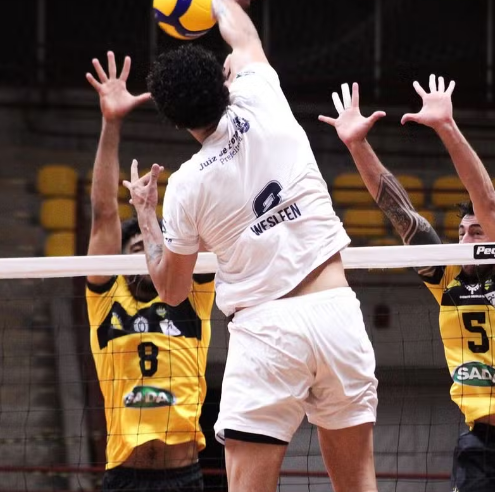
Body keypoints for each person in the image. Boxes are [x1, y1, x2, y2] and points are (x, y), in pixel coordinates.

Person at [122, 1, 379, 492]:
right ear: (224, 82)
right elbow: (243, 38)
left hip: (265, 332)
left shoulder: (186, 186)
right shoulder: (261, 96)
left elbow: (173, 291)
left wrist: (147, 218)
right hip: (335, 313)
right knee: (358, 483)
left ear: (174, 122)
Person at [319, 77, 495, 492]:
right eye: (463, 232)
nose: (468, 238)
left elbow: (485, 199)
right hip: (480, 443)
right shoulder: (448, 276)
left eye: (479, 232)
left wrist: (446, 128)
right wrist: (356, 145)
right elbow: (399, 210)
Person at [85, 52, 215, 492]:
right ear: (121, 262)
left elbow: (206, 211)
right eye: (135, 248)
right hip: (123, 477)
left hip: (184, 476)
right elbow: (104, 215)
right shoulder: (106, 300)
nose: (144, 252)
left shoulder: (188, 292)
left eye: (150, 248)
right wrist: (111, 122)